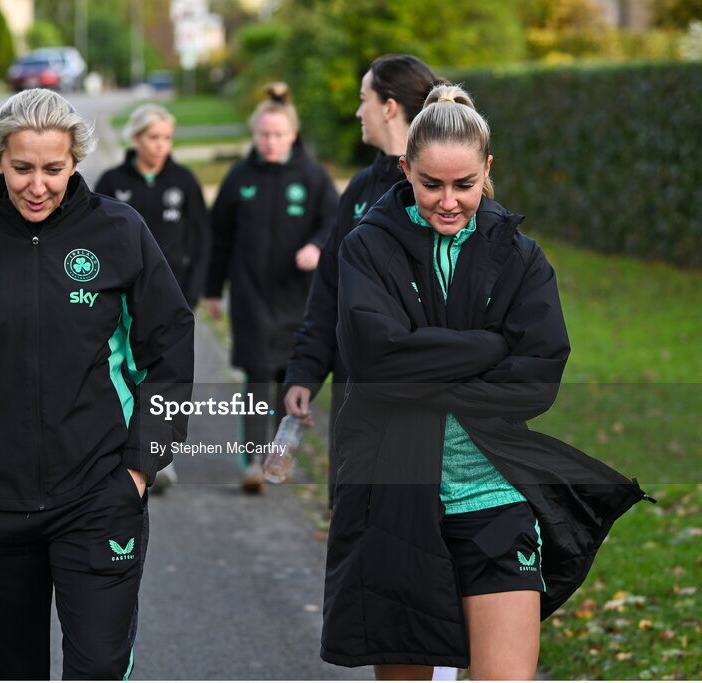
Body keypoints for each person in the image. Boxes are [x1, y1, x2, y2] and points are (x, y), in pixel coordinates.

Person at [321, 83, 652, 679]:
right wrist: (492, 345)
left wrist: (422, 372)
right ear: (406, 169)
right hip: (395, 496)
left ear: (488, 171)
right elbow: (374, 362)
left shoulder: (522, 258)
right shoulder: (366, 247)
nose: (448, 202)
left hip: (496, 499)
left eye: (464, 185)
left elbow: (538, 379)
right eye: (431, 185)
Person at [0, 88, 195, 680]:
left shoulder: (120, 233)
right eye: (22, 168)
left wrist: (139, 466)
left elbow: (169, 351)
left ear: (75, 162)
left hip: (98, 497)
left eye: (53, 169)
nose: (37, 185)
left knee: (98, 669)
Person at [284, 55, 441, 504]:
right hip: (355, 398)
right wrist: (305, 372)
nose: (358, 112)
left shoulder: (439, 191)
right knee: (353, 524)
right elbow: (329, 289)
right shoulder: (358, 189)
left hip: (422, 405)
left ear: (390, 107)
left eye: (363, 100)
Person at [204, 82, 337, 493]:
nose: (270, 142)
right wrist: (212, 289)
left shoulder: (313, 178)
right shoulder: (240, 178)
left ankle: (282, 452)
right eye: (263, 134)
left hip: (299, 298)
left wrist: (316, 246)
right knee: (257, 376)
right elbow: (219, 236)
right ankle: (253, 462)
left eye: (278, 134)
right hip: (251, 295)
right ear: (254, 135)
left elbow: (334, 223)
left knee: (288, 380)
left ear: (293, 135)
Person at [96, 103, 209, 491]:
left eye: (166, 138)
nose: (161, 145)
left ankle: (162, 457)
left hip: (172, 302)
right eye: (152, 137)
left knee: (169, 377)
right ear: (135, 138)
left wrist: (193, 292)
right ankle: (124, 450)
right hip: (124, 302)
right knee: (127, 373)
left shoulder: (184, 182)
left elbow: (201, 239)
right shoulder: (112, 182)